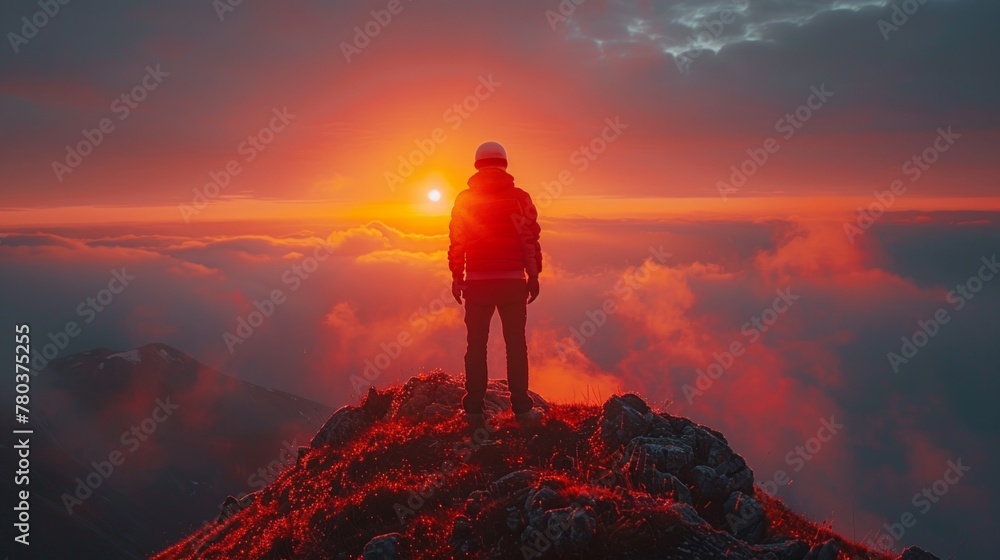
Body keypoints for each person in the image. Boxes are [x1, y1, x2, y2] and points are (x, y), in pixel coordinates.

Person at [448, 141, 543, 426]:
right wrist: (534, 275)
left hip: (477, 285)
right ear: (505, 163)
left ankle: (474, 412)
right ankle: (523, 411)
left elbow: (457, 242)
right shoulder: (520, 198)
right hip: (513, 282)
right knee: (516, 345)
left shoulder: (464, 200)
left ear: (477, 165)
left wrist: (457, 277)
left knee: (476, 346)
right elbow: (529, 240)